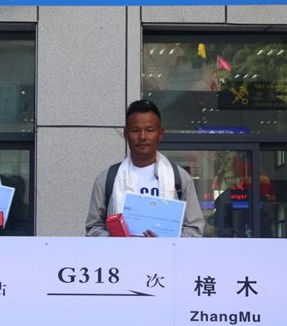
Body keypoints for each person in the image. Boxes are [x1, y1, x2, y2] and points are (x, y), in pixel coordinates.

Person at [86, 99, 204, 237]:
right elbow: (93, 228)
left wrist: (166, 242)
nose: (142, 137)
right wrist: (117, 241)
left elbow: (195, 229)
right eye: (136, 130)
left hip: (166, 252)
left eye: (149, 130)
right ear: (126, 134)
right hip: (121, 251)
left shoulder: (180, 178)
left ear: (160, 134)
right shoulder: (108, 179)